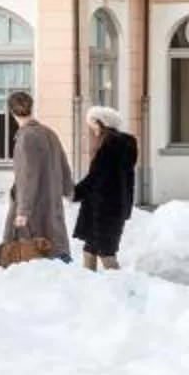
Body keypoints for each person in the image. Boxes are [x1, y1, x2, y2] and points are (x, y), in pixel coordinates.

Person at [0, 88, 73, 264]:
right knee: (55, 244)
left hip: (33, 205)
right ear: (31, 108)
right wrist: (67, 189)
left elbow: (27, 176)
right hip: (51, 202)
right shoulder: (49, 133)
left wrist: (23, 211)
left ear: (11, 112)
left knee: (25, 251)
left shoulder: (26, 137)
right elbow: (64, 164)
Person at [74, 106, 137, 270]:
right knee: (91, 249)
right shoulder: (124, 145)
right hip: (114, 208)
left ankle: (118, 289)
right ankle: (92, 288)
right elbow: (128, 181)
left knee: (105, 252)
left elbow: (95, 178)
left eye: (92, 124)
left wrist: (73, 192)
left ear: (99, 122)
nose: (91, 128)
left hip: (103, 210)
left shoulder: (109, 146)